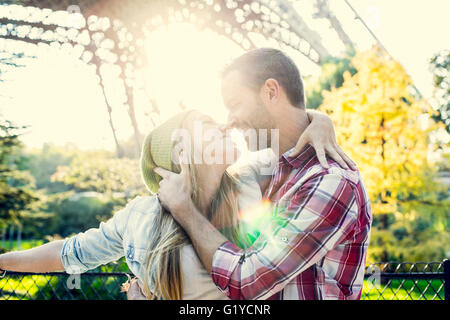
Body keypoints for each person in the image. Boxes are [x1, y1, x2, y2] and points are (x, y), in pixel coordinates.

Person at [0, 108, 346, 300]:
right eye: (208, 125)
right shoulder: (139, 217)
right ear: (180, 152)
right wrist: (3, 262)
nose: (224, 126)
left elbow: (289, 121)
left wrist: (321, 121)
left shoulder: (251, 179)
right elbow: (71, 253)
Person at [155, 48, 373, 300]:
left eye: (235, 104)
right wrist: (319, 119)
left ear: (271, 92)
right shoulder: (270, 171)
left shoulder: (330, 181)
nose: (230, 121)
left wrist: (184, 211)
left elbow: (248, 282)